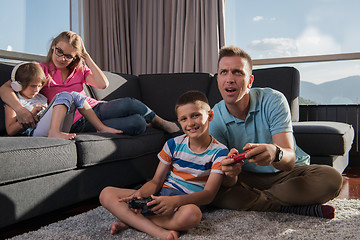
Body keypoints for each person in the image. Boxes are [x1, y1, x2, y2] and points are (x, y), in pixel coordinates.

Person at [209, 45, 343, 219]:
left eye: (237, 72)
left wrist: (275, 153)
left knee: (331, 179)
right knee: (209, 188)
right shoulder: (214, 118)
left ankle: (258, 202)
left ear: (250, 81)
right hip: (248, 178)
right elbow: (226, 179)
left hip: (287, 176)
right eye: (223, 72)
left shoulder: (273, 100)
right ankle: (292, 207)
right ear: (218, 79)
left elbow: (288, 161)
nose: (229, 79)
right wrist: (231, 175)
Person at [99, 90, 229, 239]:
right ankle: (157, 230)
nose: (190, 123)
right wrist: (140, 194)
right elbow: (156, 182)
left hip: (185, 203)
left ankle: (133, 222)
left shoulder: (220, 152)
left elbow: (208, 195)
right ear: (179, 122)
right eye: (184, 119)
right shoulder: (173, 144)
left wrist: (175, 202)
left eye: (196, 115)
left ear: (210, 116)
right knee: (106, 194)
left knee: (193, 215)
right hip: (160, 195)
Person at [0, 31, 179, 136]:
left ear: (75, 57)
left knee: (130, 103)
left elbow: (103, 84)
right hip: (77, 122)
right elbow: (6, 88)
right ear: (53, 46)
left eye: (68, 56)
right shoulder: (40, 71)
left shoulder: (79, 70)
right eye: (59, 51)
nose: (62, 58)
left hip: (95, 109)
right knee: (137, 124)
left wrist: (86, 56)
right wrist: (22, 111)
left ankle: (161, 122)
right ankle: (146, 122)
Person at [4, 62, 122, 139]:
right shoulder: (15, 103)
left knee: (75, 95)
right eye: (32, 86)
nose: (37, 89)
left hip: (54, 126)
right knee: (64, 95)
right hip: (35, 133)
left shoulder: (41, 98)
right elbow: (10, 130)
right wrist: (31, 114)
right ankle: (54, 132)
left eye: (39, 86)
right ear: (18, 86)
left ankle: (100, 127)